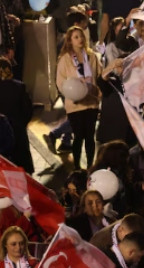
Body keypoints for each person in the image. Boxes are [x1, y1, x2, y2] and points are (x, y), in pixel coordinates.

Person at [56, 26, 102, 169]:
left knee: (90, 137)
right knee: (79, 136)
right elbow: (60, 81)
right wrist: (71, 92)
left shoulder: (92, 56)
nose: (80, 39)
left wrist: (98, 93)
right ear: (70, 41)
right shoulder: (65, 59)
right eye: (76, 37)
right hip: (75, 104)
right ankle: (77, 167)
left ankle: (89, 166)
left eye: (81, 36)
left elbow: (99, 76)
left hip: (91, 102)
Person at [0, 56, 33, 173]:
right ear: (10, 70)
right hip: (18, 133)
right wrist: (21, 124)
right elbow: (28, 111)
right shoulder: (19, 86)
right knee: (21, 167)